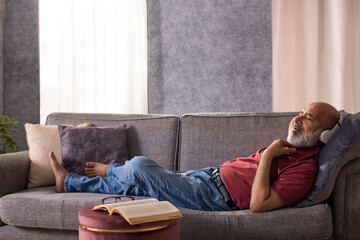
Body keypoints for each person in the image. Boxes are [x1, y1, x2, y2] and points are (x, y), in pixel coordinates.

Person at [49, 102, 341, 212]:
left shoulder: (304, 170)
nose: (298, 118)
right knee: (136, 187)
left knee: (138, 166)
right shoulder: (292, 148)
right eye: (301, 111)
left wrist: (268, 156)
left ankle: (108, 170)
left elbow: (258, 204)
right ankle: (70, 182)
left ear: (325, 134)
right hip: (207, 177)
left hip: (213, 198)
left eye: (309, 118)